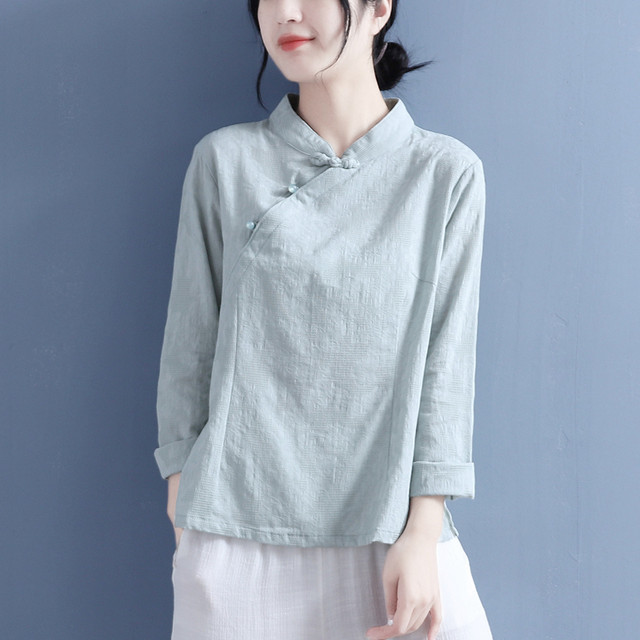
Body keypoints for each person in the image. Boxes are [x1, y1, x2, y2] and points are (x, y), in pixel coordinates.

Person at [154, 0, 493, 638]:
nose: (284, 12)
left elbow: (447, 368)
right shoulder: (225, 161)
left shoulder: (444, 173)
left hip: (390, 528)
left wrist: (423, 530)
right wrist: (181, 490)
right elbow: (189, 344)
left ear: (378, 8)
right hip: (236, 531)